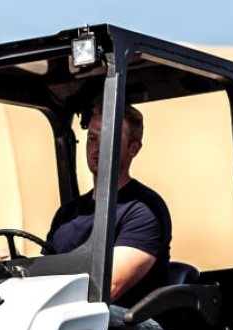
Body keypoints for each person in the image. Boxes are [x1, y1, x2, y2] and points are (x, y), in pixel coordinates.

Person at [44, 103, 171, 310]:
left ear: (133, 149)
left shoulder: (144, 210)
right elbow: (43, 271)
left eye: (109, 140)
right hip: (74, 319)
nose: (97, 148)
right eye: (92, 139)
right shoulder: (67, 213)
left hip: (127, 326)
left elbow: (106, 287)